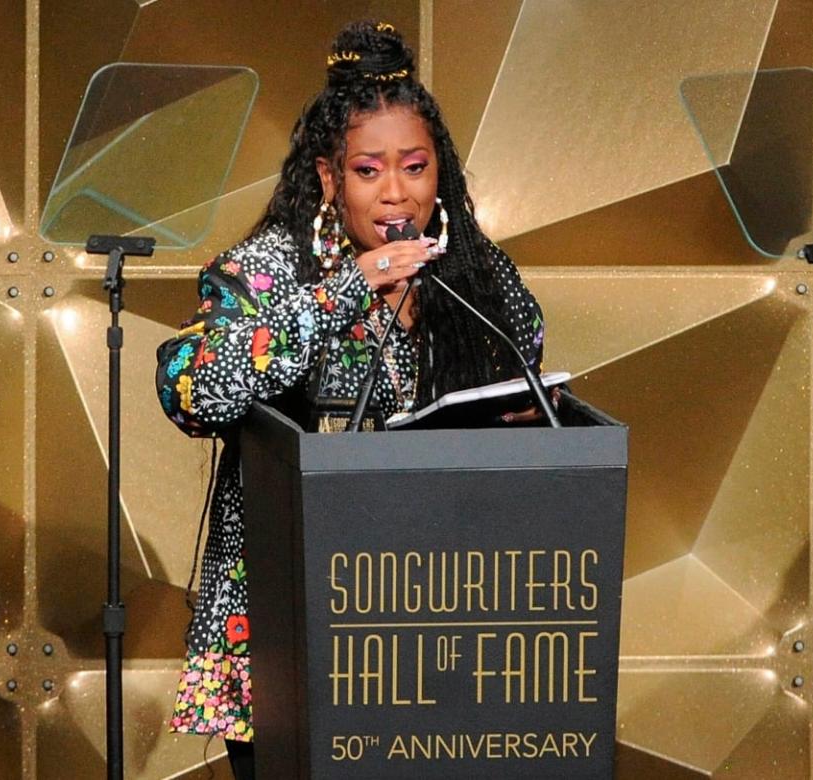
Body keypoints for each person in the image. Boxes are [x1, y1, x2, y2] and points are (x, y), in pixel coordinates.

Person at [156, 19, 544, 779]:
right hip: (289, 611)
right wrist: (344, 291)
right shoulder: (273, 263)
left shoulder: (464, 262)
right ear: (332, 179)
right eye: (369, 171)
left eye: (415, 167)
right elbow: (192, 388)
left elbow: (526, 348)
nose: (397, 193)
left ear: (442, 176)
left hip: (428, 607)